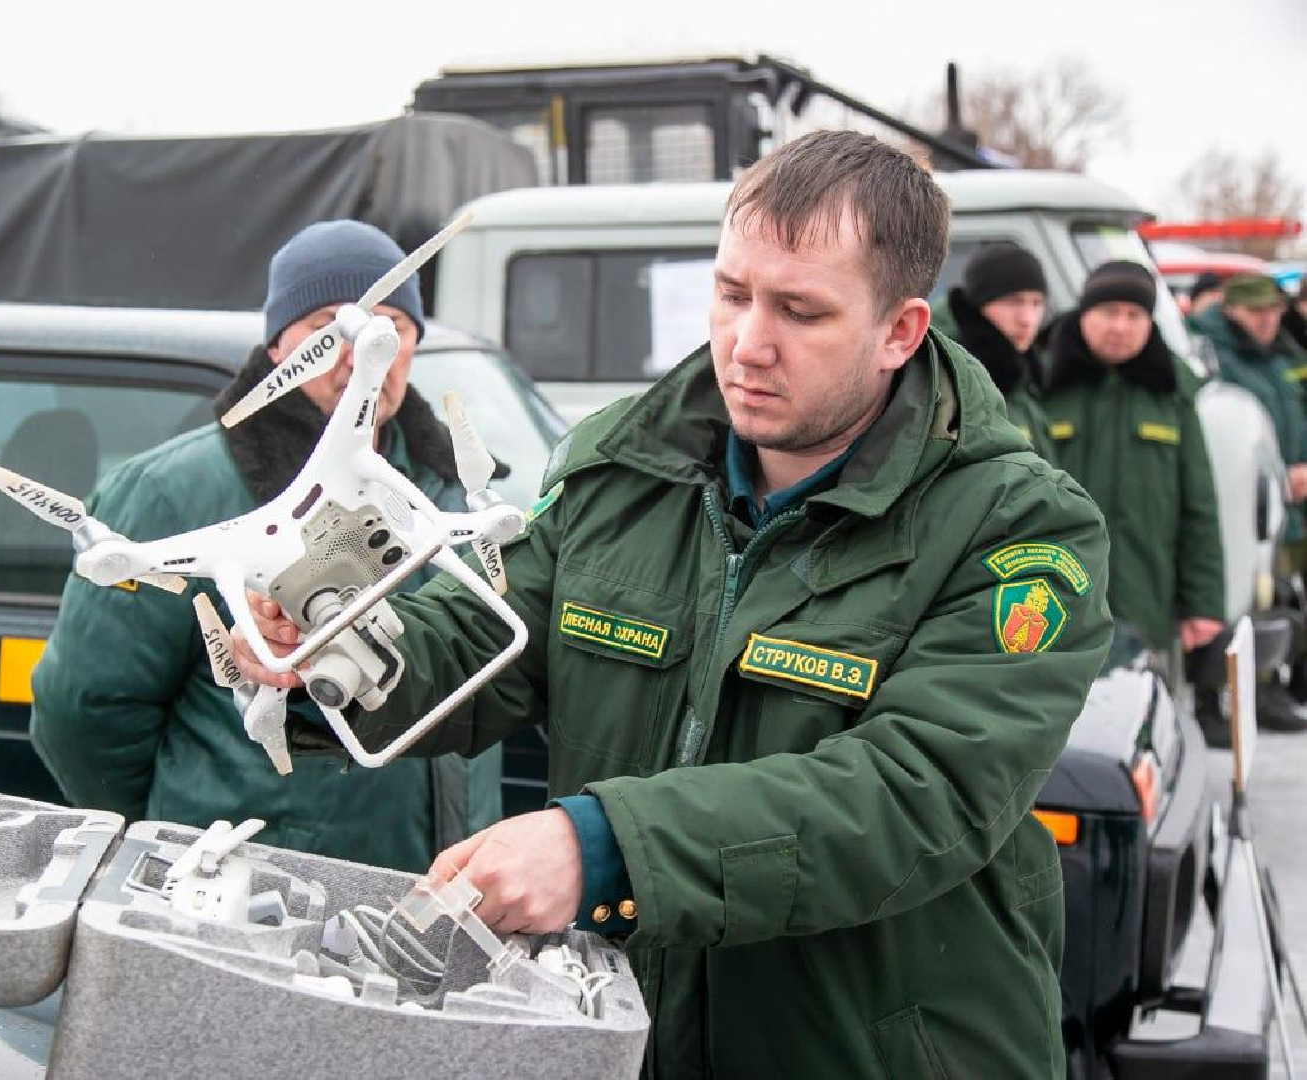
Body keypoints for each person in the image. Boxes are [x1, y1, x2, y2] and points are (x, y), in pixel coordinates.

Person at [235, 131, 1112, 1077]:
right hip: (634, 1040)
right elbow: (493, 632)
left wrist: (605, 849)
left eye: (799, 311)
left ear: (899, 330)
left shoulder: (1019, 531)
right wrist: (334, 651)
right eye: (731, 294)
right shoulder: (625, 466)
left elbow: (917, 789)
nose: (747, 343)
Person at [30, 220, 503, 872]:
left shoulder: (450, 494)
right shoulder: (172, 496)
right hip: (252, 894)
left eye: (391, 322)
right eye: (325, 329)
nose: (360, 349)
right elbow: (84, 709)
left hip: (430, 883)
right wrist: (167, 840)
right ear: (279, 347)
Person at [1042, 260, 1226, 658]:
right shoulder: (1041, 382)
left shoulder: (1172, 390)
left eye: (1134, 315)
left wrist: (1204, 605)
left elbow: (1198, 505)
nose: (1121, 327)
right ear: (1083, 314)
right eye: (1109, 312)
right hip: (1052, 606)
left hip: (1145, 604)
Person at [1190, 272, 1307, 732]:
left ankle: (1266, 688)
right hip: (1236, 496)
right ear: (1232, 310)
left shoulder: (1280, 355)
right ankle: (1213, 699)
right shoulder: (1212, 353)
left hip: (1283, 496)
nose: (1267, 321)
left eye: (1274, 312)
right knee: (1231, 597)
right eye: (1257, 313)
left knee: (1273, 596)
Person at [931, 241, 1055, 456]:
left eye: (1036, 303)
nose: (1027, 319)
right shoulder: (946, 375)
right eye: (1013, 302)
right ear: (979, 306)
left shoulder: (1027, 376)